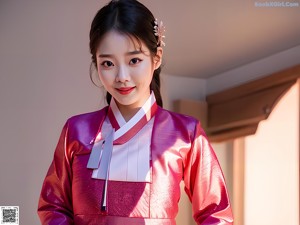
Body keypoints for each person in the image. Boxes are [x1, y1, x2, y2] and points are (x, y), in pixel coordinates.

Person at [37, 0, 233, 224]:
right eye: (108, 63)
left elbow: (217, 214)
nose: (122, 76)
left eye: (134, 60)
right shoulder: (77, 130)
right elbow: (53, 206)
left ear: (156, 57)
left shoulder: (185, 134)